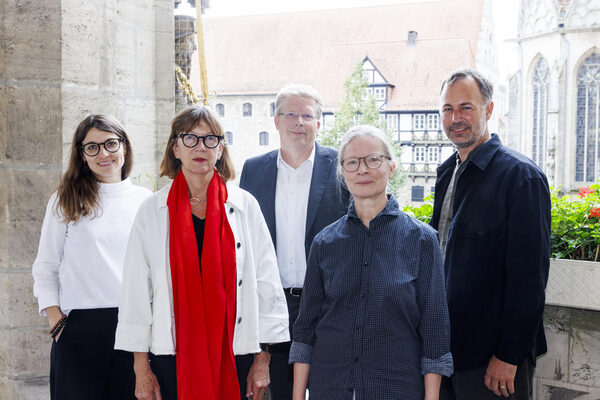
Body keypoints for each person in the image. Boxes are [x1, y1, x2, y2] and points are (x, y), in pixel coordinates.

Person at [114, 105, 289, 400]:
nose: (201, 147)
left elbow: (267, 282)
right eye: (190, 138)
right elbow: (136, 292)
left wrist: (263, 359)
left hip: (237, 349)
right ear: (175, 148)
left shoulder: (245, 206)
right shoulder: (152, 211)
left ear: (221, 149)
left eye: (210, 139)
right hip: (170, 352)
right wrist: (141, 368)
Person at [290, 125, 453, 400]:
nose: (362, 169)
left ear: (391, 168)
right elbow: (305, 330)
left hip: (396, 388)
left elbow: (435, 331)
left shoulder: (423, 241)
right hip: (330, 388)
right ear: (342, 172)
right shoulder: (324, 243)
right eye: (352, 162)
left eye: (373, 159)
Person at [430, 69, 550, 400]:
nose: (456, 118)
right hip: (445, 351)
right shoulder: (446, 174)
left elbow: (529, 277)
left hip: (492, 361)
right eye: (447, 108)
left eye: (466, 107)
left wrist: (509, 354)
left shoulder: (521, 177)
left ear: (489, 110)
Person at [240, 84, 349, 399]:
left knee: (332, 389)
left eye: (307, 115)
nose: (298, 122)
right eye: (290, 114)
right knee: (283, 391)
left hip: (329, 305)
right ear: (276, 121)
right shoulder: (254, 169)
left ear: (319, 122)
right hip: (275, 306)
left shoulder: (342, 165)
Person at [32, 115, 152, 400]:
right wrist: (57, 323)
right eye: (92, 147)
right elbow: (45, 266)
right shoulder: (65, 199)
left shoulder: (147, 201)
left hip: (134, 331)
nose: (104, 153)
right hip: (79, 333)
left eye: (111, 143)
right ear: (81, 155)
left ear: (125, 147)